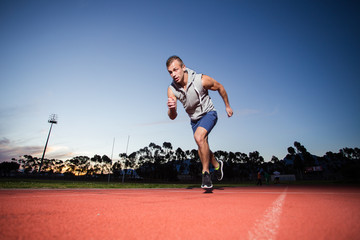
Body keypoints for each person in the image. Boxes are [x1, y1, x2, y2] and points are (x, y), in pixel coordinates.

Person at [166, 56, 233, 188]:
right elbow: (172, 116)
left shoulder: (200, 80)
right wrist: (171, 108)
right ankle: (217, 165)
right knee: (201, 147)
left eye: (175, 70)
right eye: (170, 72)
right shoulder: (172, 89)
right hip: (194, 120)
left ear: (183, 67)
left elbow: (220, 87)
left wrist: (227, 106)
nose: (173, 74)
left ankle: (206, 174)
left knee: (199, 137)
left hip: (209, 113)